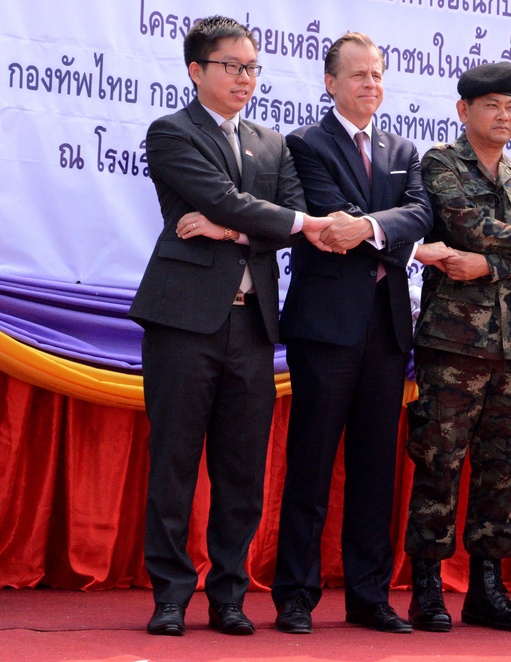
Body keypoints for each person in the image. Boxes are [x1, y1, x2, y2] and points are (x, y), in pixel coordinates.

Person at [129, 15, 339, 637]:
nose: (246, 78)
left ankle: (228, 595)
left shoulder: (273, 144)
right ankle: (170, 595)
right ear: (197, 70)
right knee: (173, 463)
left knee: (242, 470)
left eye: (252, 67)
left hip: (252, 326)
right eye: (232, 66)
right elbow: (223, 197)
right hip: (183, 320)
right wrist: (248, 220)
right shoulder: (171, 132)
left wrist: (227, 229)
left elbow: (293, 214)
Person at [270, 32, 446, 636]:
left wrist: (368, 225)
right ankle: (295, 594)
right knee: (312, 464)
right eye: (358, 75)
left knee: (376, 469)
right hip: (326, 327)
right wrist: (383, 228)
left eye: (377, 74)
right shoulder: (305, 144)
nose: (371, 84)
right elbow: (322, 212)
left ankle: (370, 595)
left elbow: (421, 215)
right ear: (331, 83)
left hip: (388, 325)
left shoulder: (403, 148)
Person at [403, 61, 511, 633]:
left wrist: (491, 262)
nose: (504, 117)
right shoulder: (439, 162)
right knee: (438, 462)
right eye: (491, 107)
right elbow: (466, 224)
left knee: (501, 470)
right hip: (450, 342)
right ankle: (426, 586)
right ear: (464, 111)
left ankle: (486, 587)